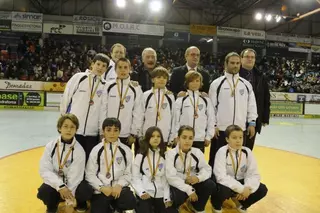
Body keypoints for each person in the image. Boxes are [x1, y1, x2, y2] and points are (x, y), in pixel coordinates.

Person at [208, 52, 258, 168]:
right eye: (232, 63)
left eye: (237, 63)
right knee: (217, 160)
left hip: (240, 129)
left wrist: (252, 123)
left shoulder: (246, 84)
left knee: (237, 159)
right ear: (226, 64)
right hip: (221, 130)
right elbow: (211, 107)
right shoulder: (217, 84)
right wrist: (213, 125)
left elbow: (251, 105)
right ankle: (215, 182)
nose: (235, 65)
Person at [37, 114, 92, 213]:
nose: (69, 130)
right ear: (59, 128)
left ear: (76, 130)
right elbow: (45, 170)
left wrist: (69, 201)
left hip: (71, 188)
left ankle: (79, 203)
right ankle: (52, 206)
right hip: (57, 186)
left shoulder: (79, 151)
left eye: (72, 127)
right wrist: (60, 186)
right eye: (65, 126)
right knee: (44, 191)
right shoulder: (50, 146)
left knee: (85, 189)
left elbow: (76, 177)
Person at [60, 53, 110, 161]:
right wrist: (64, 118)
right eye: (98, 64)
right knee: (71, 159)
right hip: (74, 129)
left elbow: (103, 110)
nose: (100, 68)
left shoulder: (105, 85)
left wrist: (101, 131)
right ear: (92, 64)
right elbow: (66, 97)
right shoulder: (79, 77)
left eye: (104, 66)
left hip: (92, 132)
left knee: (88, 160)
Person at [211, 125, 268, 213]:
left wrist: (247, 188)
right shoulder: (222, 152)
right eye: (234, 138)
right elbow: (221, 177)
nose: (238, 140)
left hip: (241, 182)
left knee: (262, 189)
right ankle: (216, 204)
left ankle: (242, 203)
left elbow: (253, 173)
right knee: (223, 190)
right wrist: (241, 189)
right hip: (226, 183)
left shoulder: (247, 152)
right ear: (227, 139)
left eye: (240, 137)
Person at [85, 118, 136, 213]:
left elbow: (128, 173)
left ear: (119, 132)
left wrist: (119, 185)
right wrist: (101, 187)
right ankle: (109, 207)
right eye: (108, 130)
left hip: (119, 189)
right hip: (101, 190)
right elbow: (89, 174)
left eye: (115, 130)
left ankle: (117, 208)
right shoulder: (96, 150)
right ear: (103, 131)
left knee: (130, 201)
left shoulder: (126, 150)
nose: (112, 133)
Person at [166, 125, 216, 213]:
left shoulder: (197, 152)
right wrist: (188, 188)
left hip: (193, 181)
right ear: (178, 139)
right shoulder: (170, 154)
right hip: (179, 184)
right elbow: (171, 177)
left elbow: (207, 169)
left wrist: (198, 178)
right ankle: (177, 205)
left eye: (190, 138)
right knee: (178, 195)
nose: (187, 141)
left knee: (210, 184)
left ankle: (197, 206)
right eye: (184, 137)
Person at [100, 57, 143, 152]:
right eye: (119, 67)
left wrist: (133, 133)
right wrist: (101, 130)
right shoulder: (108, 86)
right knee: (107, 160)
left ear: (130, 69)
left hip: (126, 134)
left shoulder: (136, 88)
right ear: (115, 69)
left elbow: (138, 112)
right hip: (108, 131)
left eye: (125, 67)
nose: (122, 70)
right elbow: (103, 108)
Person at [132, 126, 177, 213]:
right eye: (152, 136)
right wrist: (141, 192)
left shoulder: (164, 155)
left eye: (158, 136)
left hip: (161, 193)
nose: (155, 138)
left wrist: (166, 197)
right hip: (146, 192)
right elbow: (135, 177)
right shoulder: (141, 155)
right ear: (147, 138)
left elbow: (166, 178)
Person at [174, 71, 215, 153]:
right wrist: (175, 136)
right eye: (191, 81)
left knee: (197, 163)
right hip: (184, 138)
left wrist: (208, 136)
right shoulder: (181, 100)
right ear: (187, 83)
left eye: (197, 81)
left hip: (200, 138)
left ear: (201, 83)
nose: (194, 83)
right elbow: (175, 120)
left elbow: (211, 119)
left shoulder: (206, 100)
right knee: (182, 162)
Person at [239, 48, 270, 150]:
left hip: (254, 118)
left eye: (252, 57)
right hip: (236, 116)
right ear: (241, 59)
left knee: (248, 148)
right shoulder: (234, 74)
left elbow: (266, 98)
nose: (250, 59)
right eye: (247, 57)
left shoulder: (261, 76)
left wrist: (265, 117)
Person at [141, 66, 175, 146]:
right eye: (158, 77)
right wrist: (140, 135)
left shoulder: (170, 96)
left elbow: (174, 118)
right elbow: (140, 115)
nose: (162, 79)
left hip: (164, 136)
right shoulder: (146, 95)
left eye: (164, 77)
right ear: (152, 79)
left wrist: (172, 137)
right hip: (147, 136)